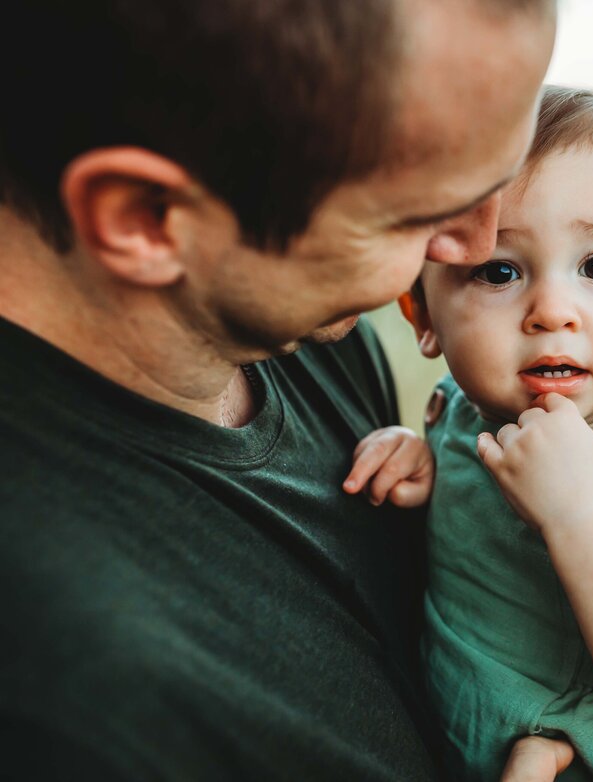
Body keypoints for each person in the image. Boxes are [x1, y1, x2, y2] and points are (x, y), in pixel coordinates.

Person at [0, 0, 555, 778]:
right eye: (418, 214)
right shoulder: (69, 695)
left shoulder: (309, 334)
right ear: (146, 219)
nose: (477, 246)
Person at [343, 86, 593, 781]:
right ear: (422, 316)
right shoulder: (464, 412)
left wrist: (580, 513)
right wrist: (422, 461)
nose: (553, 311)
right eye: (500, 271)